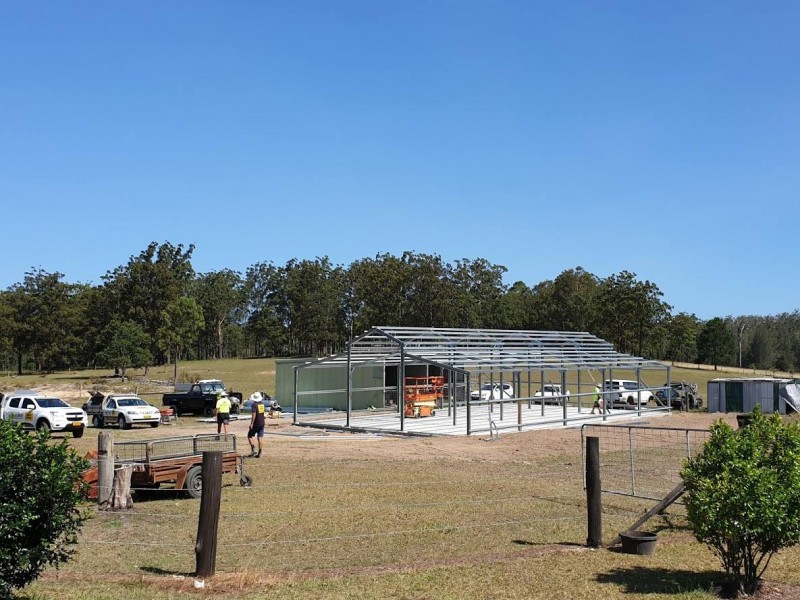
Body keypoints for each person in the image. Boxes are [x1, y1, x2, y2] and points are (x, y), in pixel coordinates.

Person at [247, 391, 266, 458]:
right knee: (260, 438)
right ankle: (260, 453)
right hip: (262, 423)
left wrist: (251, 423)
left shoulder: (254, 405)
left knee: (249, 436)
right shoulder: (262, 404)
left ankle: (253, 449)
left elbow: (254, 415)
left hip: (256, 423)